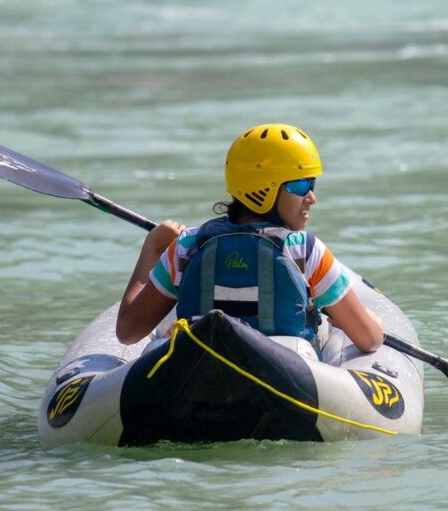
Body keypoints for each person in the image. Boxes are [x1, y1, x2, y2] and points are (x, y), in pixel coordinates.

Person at [115, 123, 384, 354]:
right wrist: (371, 322)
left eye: (312, 184)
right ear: (265, 188)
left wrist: (152, 248)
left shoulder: (186, 246)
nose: (312, 197)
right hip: (284, 385)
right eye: (301, 185)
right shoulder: (305, 251)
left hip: (197, 374)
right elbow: (370, 339)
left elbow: (128, 332)